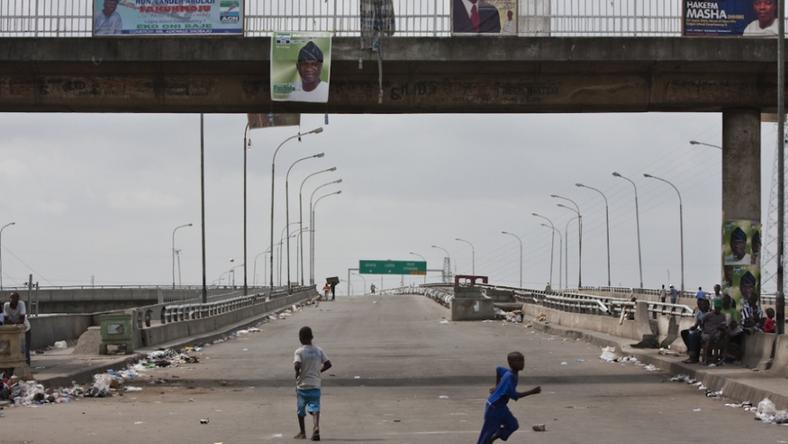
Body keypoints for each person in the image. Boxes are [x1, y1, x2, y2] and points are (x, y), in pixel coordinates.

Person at [476, 351, 540, 444]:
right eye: (518, 361)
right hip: (494, 407)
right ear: (510, 363)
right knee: (487, 433)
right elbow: (514, 395)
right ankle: (488, 440)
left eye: (522, 360)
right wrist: (532, 392)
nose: (522, 363)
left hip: (501, 407)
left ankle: (493, 438)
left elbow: (498, 369)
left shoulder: (509, 372)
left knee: (513, 425)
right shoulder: (509, 377)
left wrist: (497, 385)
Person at [293, 326, 332, 441]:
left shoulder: (299, 351)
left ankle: (302, 432)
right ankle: (315, 427)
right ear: (312, 337)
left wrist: (297, 373)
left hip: (302, 386)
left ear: (300, 338)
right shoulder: (318, 350)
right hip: (315, 385)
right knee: (315, 408)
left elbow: (297, 365)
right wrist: (319, 371)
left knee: (301, 410)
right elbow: (328, 364)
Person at [3, 292, 31, 366]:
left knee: (25, 348)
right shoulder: (6, 305)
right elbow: (5, 320)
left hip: (24, 329)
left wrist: (12, 323)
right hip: (13, 330)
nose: (12, 299)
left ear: (18, 299)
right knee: (11, 348)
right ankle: (14, 365)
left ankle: (27, 366)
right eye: (11, 297)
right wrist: (14, 324)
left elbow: (22, 319)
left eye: (14, 297)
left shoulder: (21, 304)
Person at [681, 298, 710, 363]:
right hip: (699, 330)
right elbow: (696, 325)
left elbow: (707, 326)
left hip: (706, 331)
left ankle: (693, 357)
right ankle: (692, 352)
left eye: (705, 305)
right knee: (684, 333)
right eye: (702, 305)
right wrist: (692, 328)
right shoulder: (699, 313)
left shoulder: (710, 314)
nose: (703, 306)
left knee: (693, 336)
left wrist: (701, 325)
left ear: (708, 305)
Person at [700, 298, 727, 365]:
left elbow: (724, 325)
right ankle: (705, 359)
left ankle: (716, 359)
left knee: (719, 338)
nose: (718, 309)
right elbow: (701, 321)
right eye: (717, 308)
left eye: (719, 308)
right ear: (715, 307)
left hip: (716, 333)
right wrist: (703, 329)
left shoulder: (722, 316)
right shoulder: (708, 315)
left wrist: (721, 328)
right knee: (709, 339)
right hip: (707, 333)